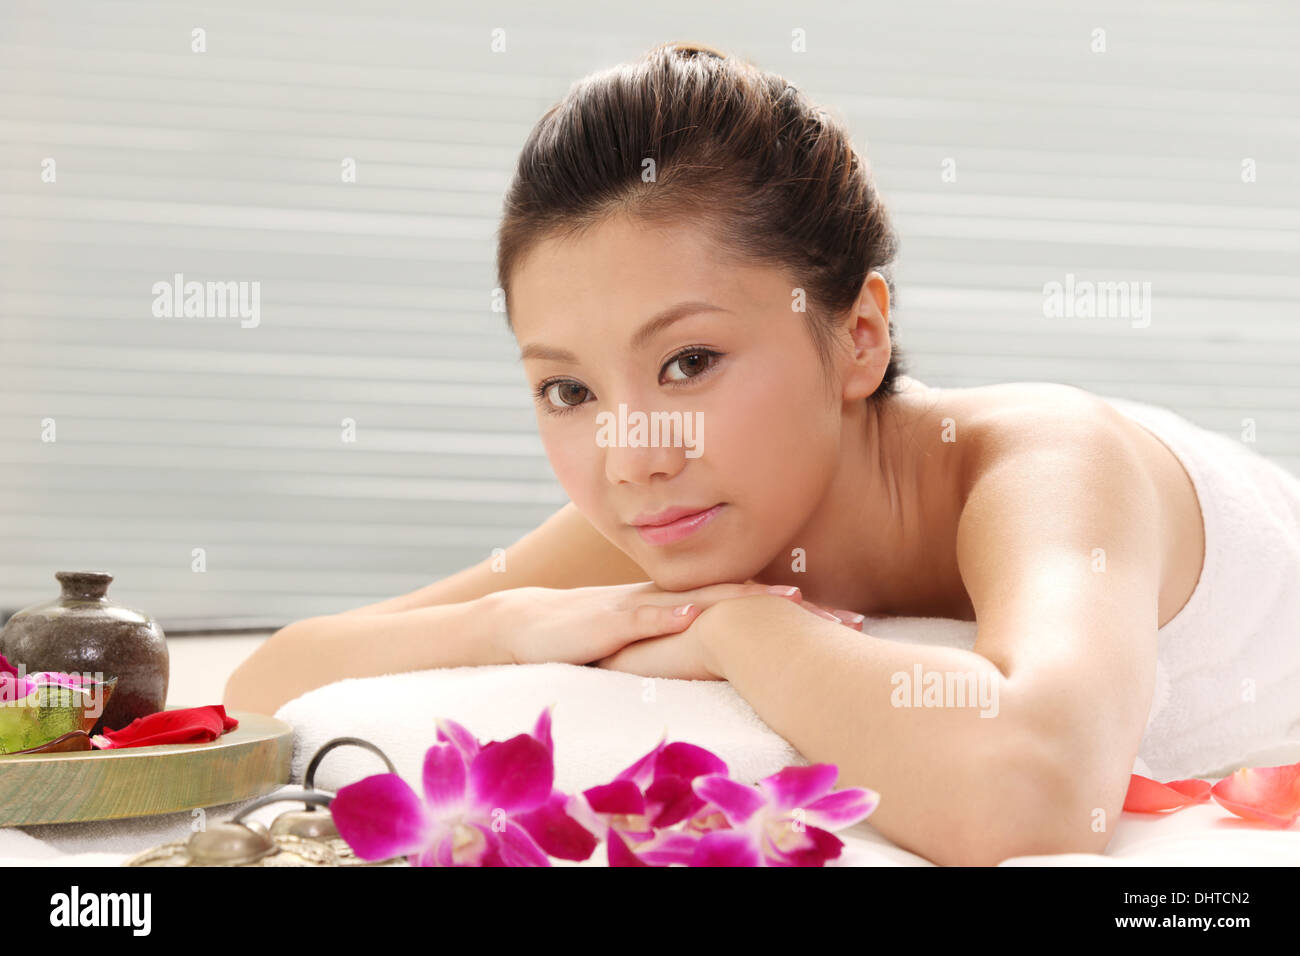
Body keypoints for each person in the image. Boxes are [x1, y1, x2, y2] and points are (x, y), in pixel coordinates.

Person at [225, 42, 1300, 865]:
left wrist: (741, 627)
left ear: (858, 336)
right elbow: (272, 676)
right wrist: (518, 620)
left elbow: (1044, 787)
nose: (630, 454)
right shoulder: (674, 496)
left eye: (689, 360)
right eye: (568, 388)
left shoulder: (1051, 463)